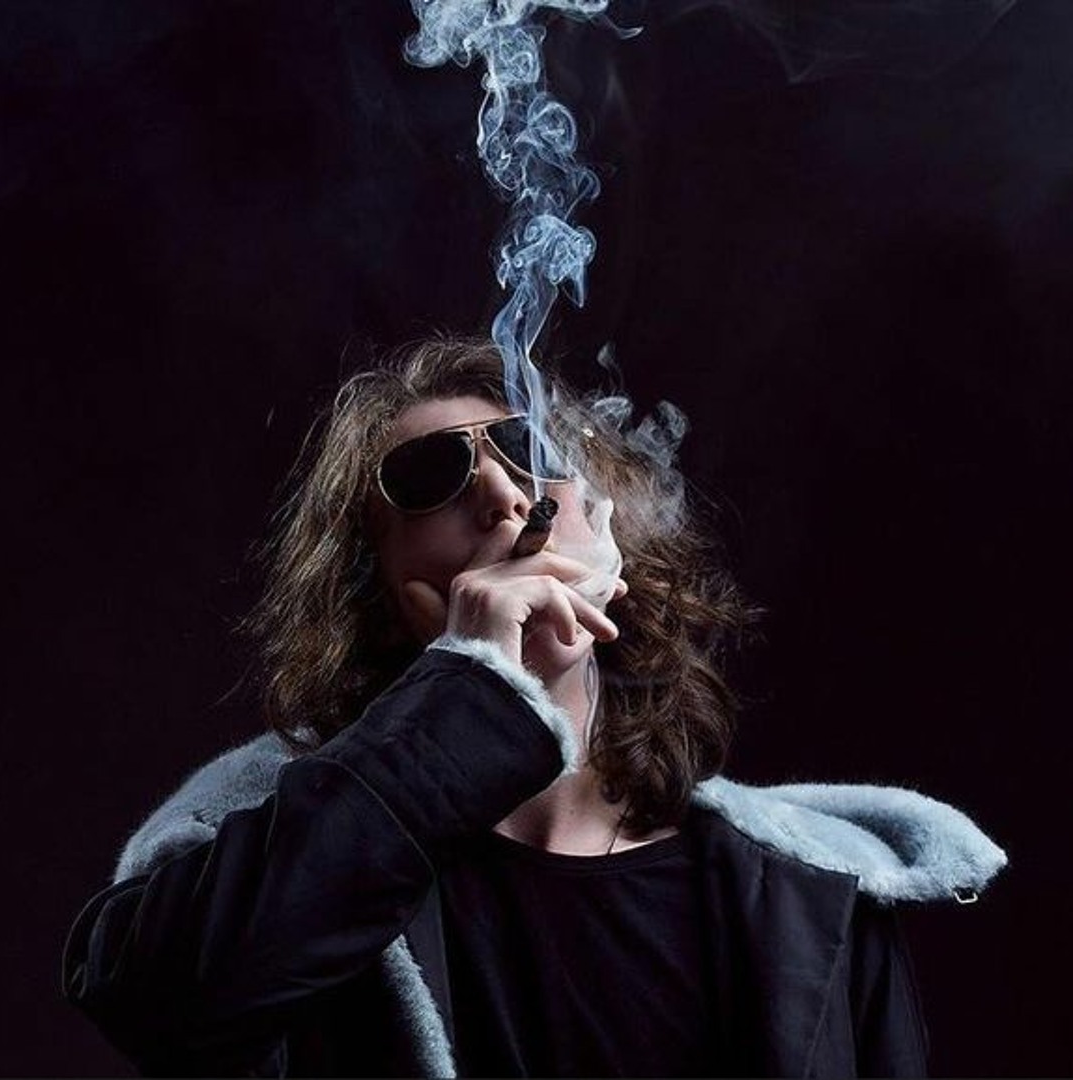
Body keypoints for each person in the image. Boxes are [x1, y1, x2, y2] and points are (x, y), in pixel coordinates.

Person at [64, 334, 1006, 1077]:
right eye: (430, 476)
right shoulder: (277, 836)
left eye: (530, 451)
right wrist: (471, 685)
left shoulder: (811, 889)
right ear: (378, 584)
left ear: (611, 532)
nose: (504, 496)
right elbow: (152, 1004)